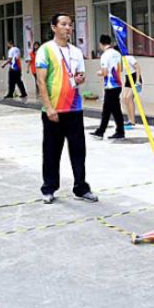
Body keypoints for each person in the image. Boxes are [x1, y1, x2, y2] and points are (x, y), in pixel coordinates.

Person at [36, 13, 97, 204]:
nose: (68, 28)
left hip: (74, 108)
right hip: (53, 110)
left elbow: (80, 76)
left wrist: (79, 79)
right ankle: (49, 188)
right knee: (52, 151)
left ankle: (81, 188)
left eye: (70, 24)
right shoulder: (45, 50)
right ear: (54, 27)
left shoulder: (76, 52)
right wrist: (49, 107)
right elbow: (41, 81)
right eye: (63, 24)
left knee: (78, 151)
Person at [90, 35, 125, 140]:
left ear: (101, 44)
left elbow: (104, 72)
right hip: (118, 84)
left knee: (108, 110)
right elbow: (121, 69)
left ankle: (102, 131)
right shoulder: (117, 54)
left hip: (110, 86)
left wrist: (99, 73)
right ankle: (116, 131)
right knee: (114, 109)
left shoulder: (105, 55)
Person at [121, 54, 142, 129]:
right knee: (124, 98)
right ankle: (129, 119)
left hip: (134, 77)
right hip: (128, 78)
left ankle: (132, 121)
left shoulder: (129, 57)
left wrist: (137, 81)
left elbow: (138, 67)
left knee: (129, 98)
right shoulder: (118, 60)